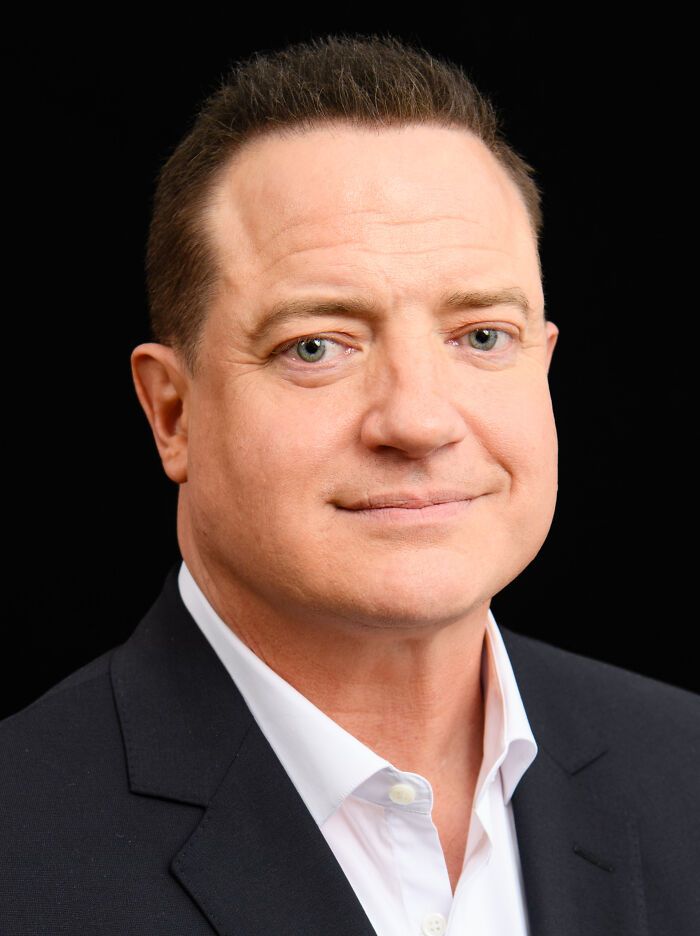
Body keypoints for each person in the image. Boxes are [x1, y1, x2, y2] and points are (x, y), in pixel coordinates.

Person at [1, 36, 697, 936]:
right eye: (316, 346)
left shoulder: (684, 769)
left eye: (482, 336)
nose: (418, 420)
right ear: (173, 413)